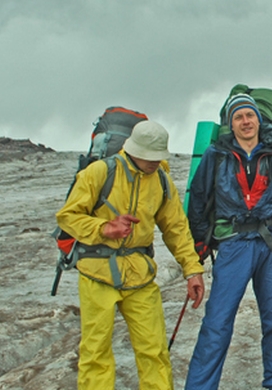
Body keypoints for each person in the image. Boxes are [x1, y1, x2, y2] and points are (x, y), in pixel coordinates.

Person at [55, 120, 206, 390]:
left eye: (158, 157)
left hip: (139, 274)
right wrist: (104, 228)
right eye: (149, 157)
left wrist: (192, 270)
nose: (154, 162)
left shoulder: (161, 179)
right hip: (96, 273)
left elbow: (176, 228)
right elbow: (67, 217)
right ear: (132, 149)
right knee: (95, 352)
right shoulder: (100, 172)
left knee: (155, 350)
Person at [185, 93, 272, 390]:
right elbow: (199, 199)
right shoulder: (216, 155)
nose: (245, 121)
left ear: (258, 119)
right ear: (230, 124)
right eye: (238, 117)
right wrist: (199, 238)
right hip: (233, 244)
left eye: (250, 115)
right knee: (217, 324)